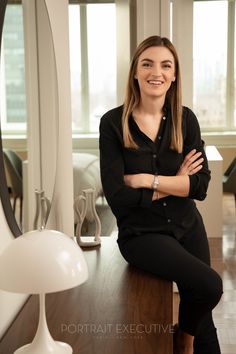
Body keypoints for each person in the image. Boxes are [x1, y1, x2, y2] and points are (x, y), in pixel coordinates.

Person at [99, 35, 223, 354]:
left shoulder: (186, 119)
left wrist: (145, 179)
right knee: (210, 284)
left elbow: (200, 186)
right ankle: (182, 339)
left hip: (187, 226)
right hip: (143, 234)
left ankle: (185, 337)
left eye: (166, 65)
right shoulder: (113, 124)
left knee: (204, 316)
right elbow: (118, 198)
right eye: (148, 64)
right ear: (136, 73)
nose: (157, 72)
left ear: (174, 74)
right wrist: (174, 181)